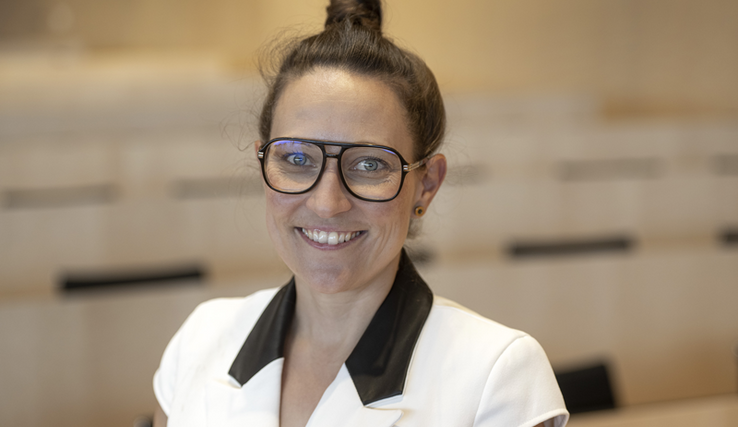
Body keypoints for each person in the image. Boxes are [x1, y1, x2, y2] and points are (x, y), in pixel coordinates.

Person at [153, 1, 569, 426]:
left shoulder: (496, 378)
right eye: (296, 158)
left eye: (370, 164)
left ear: (427, 183)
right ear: (263, 164)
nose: (327, 203)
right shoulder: (201, 339)